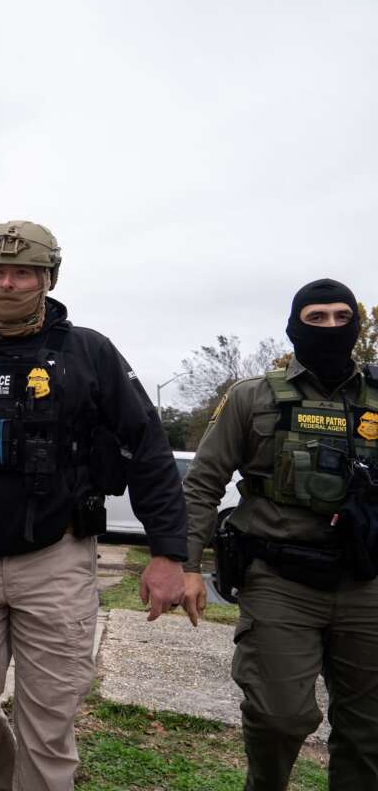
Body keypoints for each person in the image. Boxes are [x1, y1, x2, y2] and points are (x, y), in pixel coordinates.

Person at [0, 220, 188, 791]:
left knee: (48, 721)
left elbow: (147, 449)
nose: (7, 284)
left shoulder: (90, 353)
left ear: (48, 278)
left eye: (23, 272)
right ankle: (0, 776)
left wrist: (168, 552)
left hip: (58, 556)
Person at [183, 279, 378, 790]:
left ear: (356, 327)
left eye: (342, 318)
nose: (331, 328)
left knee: (368, 731)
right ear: (294, 325)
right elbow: (203, 484)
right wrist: (182, 564)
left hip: (366, 583)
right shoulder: (254, 397)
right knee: (279, 716)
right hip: (280, 579)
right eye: (317, 318)